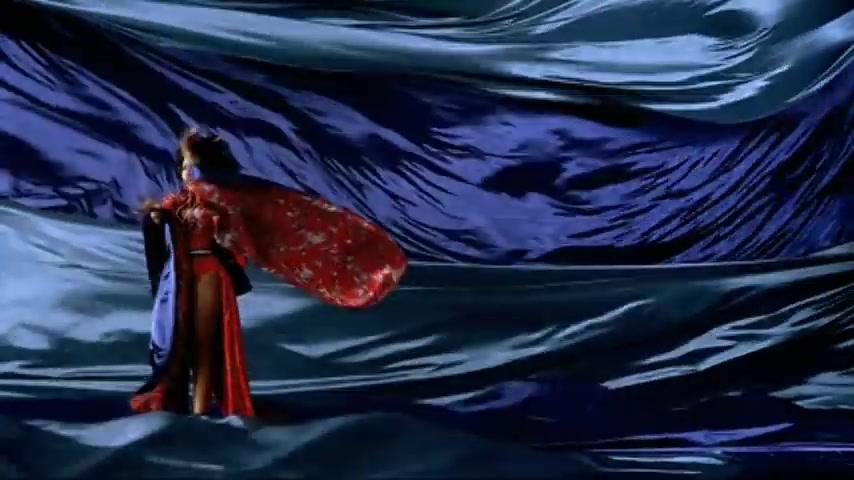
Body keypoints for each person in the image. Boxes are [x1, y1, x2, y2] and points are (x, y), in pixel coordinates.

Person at [131, 128, 407, 416]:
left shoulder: (222, 199)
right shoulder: (176, 202)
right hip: (180, 277)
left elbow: (240, 239)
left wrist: (225, 231)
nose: (187, 172)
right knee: (178, 341)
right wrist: (157, 218)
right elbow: (160, 224)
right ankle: (178, 401)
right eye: (184, 165)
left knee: (203, 342)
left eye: (194, 165)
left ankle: (200, 408)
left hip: (209, 271)